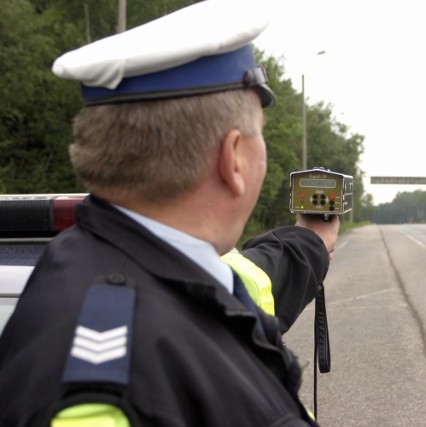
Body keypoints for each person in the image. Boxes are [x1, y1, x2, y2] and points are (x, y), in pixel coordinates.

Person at [0, 1, 339, 426]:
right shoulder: (107, 394)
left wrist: (311, 240)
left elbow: (254, 279)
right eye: (261, 137)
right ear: (232, 159)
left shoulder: (108, 257)